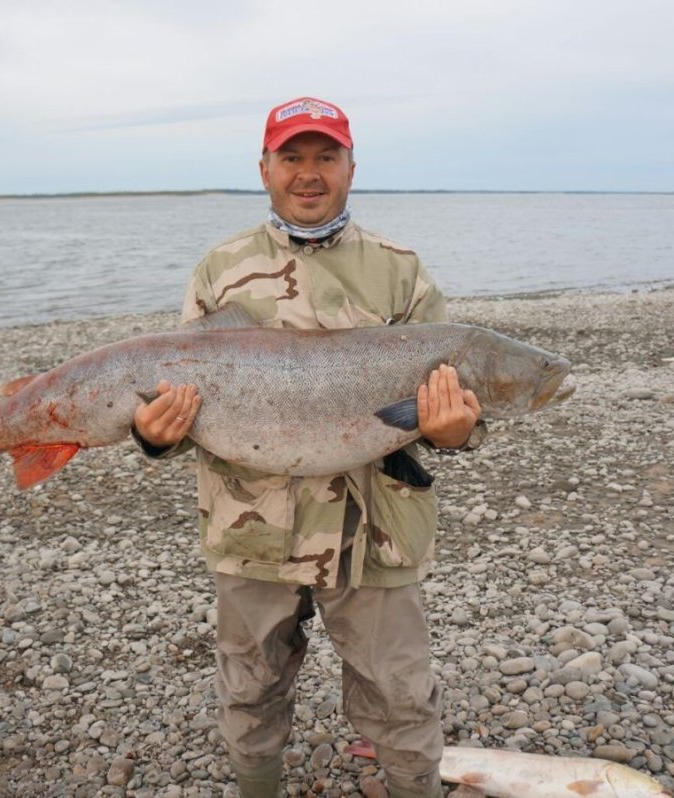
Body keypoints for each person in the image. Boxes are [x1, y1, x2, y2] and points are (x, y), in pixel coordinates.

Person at [132, 96, 485, 798]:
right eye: (292, 156)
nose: (309, 173)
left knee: (402, 694)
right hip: (250, 528)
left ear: (353, 167)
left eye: (326, 156)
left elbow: (454, 411)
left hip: (376, 532)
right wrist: (151, 436)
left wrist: (456, 432)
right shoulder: (219, 270)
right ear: (264, 168)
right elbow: (173, 398)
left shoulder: (401, 272)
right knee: (248, 687)